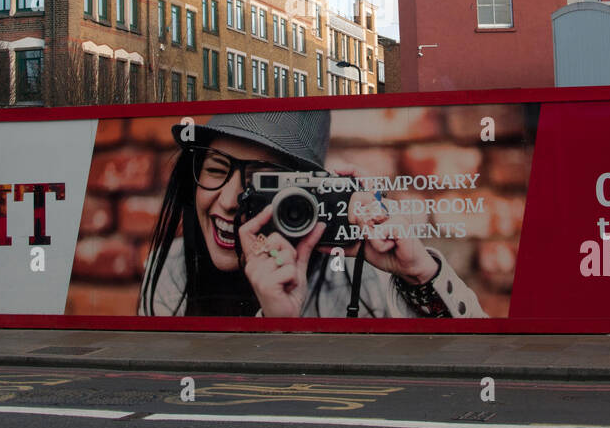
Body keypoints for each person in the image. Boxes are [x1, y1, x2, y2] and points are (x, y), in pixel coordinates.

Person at [138, 110, 486, 318]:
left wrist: (418, 274)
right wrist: (274, 324)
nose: (229, 200)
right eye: (215, 169)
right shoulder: (172, 269)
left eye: (260, 181)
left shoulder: (357, 274)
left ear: (303, 193)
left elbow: (474, 358)